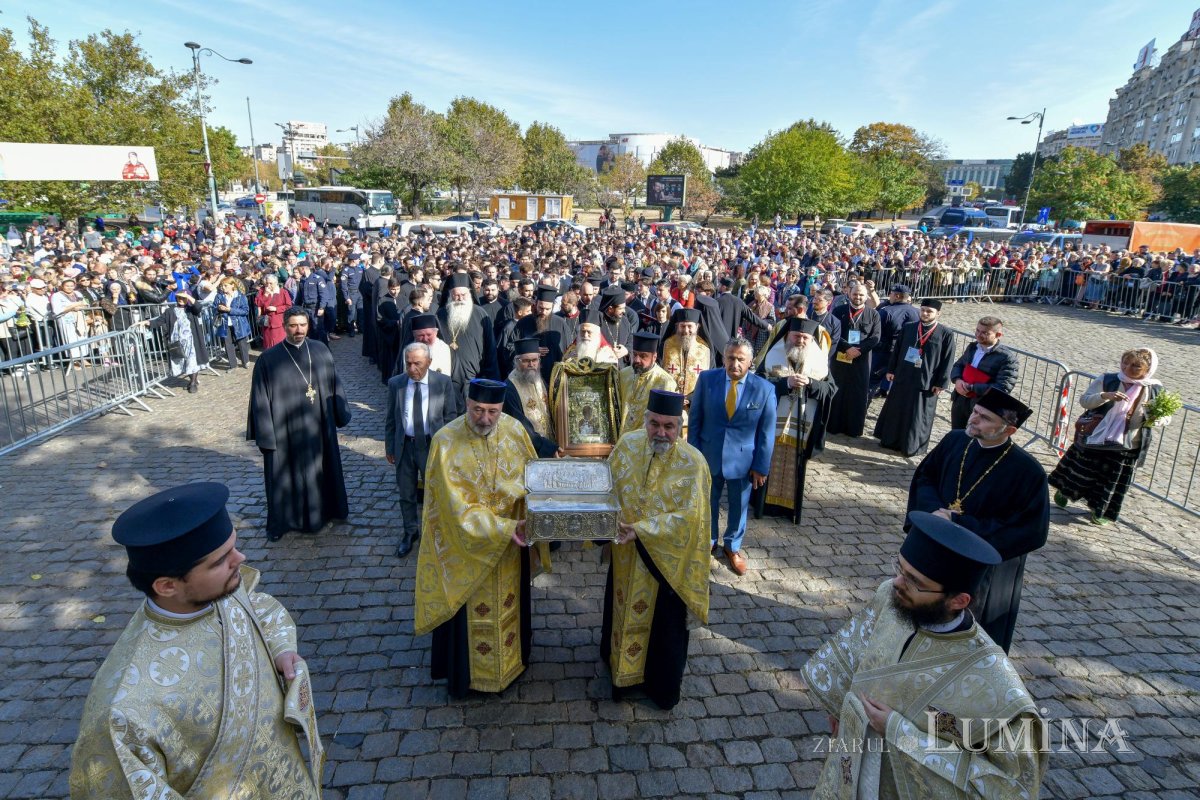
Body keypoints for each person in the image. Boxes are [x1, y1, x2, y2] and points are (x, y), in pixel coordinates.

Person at [69, 483, 323, 799]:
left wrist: (281, 649)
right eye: (220, 560)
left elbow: (255, 604)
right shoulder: (121, 713)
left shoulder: (219, 591)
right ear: (166, 586)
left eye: (234, 547)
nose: (240, 558)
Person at [802, 511, 1046, 799]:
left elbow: (1011, 787)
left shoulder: (994, 683)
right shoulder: (891, 598)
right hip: (852, 763)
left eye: (913, 580)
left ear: (959, 600)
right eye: (900, 568)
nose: (897, 582)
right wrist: (840, 707)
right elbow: (856, 647)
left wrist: (899, 731)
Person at [414, 379, 538, 698]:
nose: (485, 419)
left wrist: (536, 518)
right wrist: (503, 528)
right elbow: (453, 511)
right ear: (467, 404)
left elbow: (534, 480)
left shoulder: (515, 432)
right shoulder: (445, 442)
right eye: (478, 410)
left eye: (493, 412)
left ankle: (511, 664)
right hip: (465, 550)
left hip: (511, 548)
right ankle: (467, 677)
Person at [908, 389, 1049, 652]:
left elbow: (1031, 530)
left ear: (1009, 431)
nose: (973, 419)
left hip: (982, 565)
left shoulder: (1027, 471)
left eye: (984, 418)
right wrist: (934, 515)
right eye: (975, 412)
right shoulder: (954, 441)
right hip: (937, 545)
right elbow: (925, 477)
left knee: (970, 630)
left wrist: (962, 524)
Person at [603, 389, 711, 710]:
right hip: (626, 555)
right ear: (645, 419)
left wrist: (643, 530)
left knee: (663, 630)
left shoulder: (694, 464)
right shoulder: (627, 446)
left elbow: (692, 519)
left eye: (669, 426)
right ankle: (621, 676)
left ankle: (658, 685)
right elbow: (605, 486)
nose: (661, 433)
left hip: (667, 566)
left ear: (680, 426)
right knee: (622, 613)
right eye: (654, 424)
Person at [247, 307, 352, 541]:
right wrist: (265, 434)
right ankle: (286, 521)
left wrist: (340, 411)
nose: (299, 330)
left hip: (318, 427)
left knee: (322, 470)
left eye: (303, 325)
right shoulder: (268, 360)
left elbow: (334, 383)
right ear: (284, 326)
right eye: (293, 325)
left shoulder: (320, 350)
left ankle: (328, 512)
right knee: (286, 476)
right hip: (286, 432)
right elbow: (260, 400)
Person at [687, 337, 777, 576]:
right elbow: (695, 421)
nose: (734, 363)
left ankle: (733, 547)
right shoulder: (707, 380)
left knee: (738, 507)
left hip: (743, 462)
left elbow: (767, 433)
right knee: (708, 502)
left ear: (750, 362)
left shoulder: (765, 389)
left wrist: (761, 466)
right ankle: (709, 541)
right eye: (730, 357)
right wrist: (693, 456)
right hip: (709, 455)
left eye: (740, 359)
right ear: (724, 358)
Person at [1049, 347, 1167, 525]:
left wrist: (1154, 416)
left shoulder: (1155, 389)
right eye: (1125, 362)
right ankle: (1066, 490)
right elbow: (1085, 401)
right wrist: (1104, 396)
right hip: (1096, 435)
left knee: (1111, 480)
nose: (1127, 368)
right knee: (1082, 470)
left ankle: (1100, 510)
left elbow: (1165, 417)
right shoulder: (1108, 379)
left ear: (1147, 369)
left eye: (1135, 366)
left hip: (1127, 443)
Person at [752, 318, 837, 524]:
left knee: (795, 464)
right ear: (788, 335)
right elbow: (758, 383)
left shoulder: (818, 359)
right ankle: (761, 505)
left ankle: (790, 509)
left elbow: (831, 389)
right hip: (773, 422)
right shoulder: (773, 354)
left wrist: (810, 384)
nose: (800, 340)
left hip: (801, 425)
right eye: (796, 336)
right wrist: (784, 382)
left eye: (805, 337)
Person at [386, 341, 458, 557]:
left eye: (417, 363)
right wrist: (390, 447)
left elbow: (451, 417)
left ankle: (435, 532)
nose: (412, 369)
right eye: (408, 364)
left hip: (430, 446)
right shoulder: (396, 384)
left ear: (429, 362)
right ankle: (410, 532)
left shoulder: (443, 383)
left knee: (434, 492)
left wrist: (446, 449)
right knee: (406, 493)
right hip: (405, 446)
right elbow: (391, 419)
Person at [873, 298, 955, 457]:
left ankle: (911, 446)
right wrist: (891, 369)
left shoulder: (945, 333)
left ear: (938, 314)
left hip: (926, 381)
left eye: (929, 311)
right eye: (923, 310)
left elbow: (948, 359)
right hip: (903, 375)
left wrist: (941, 382)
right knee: (897, 410)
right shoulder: (909, 328)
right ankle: (890, 440)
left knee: (917, 415)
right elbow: (897, 350)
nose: (925, 313)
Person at [826, 283, 881, 437]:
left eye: (861, 295)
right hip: (840, 357)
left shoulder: (873, 314)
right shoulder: (839, 311)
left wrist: (859, 350)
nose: (858, 297)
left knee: (857, 393)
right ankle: (833, 425)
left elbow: (876, 337)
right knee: (837, 390)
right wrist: (847, 348)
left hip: (861, 359)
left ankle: (853, 428)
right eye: (855, 294)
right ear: (849, 293)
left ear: (866, 296)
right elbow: (833, 332)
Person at [438, 273, 499, 403]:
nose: (460, 298)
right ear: (450, 294)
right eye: (456, 295)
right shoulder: (441, 315)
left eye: (463, 295)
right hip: (448, 379)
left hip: (475, 378)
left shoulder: (480, 314)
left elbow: (490, 348)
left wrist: (489, 377)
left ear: (470, 294)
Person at [949, 316, 1017, 429]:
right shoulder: (972, 347)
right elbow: (959, 365)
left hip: (982, 406)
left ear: (998, 335)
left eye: (985, 333)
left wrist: (972, 387)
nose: (978, 335)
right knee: (957, 434)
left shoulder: (1007, 358)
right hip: (961, 401)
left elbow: (1003, 387)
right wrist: (957, 379)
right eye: (977, 330)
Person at [143, 289, 209, 394]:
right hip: (177, 341)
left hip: (191, 340)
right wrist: (146, 322)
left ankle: (192, 382)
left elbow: (198, 307)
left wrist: (188, 297)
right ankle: (194, 379)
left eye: (183, 298)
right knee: (184, 361)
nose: (181, 300)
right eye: (179, 297)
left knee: (192, 360)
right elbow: (159, 320)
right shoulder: (170, 310)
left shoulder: (191, 309)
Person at [502, 338, 560, 457]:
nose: (531, 365)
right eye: (526, 361)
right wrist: (547, 448)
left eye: (535, 360)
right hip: (527, 451)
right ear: (517, 361)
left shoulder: (538, 380)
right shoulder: (510, 388)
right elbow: (520, 426)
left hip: (549, 445)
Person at [617, 331, 675, 437]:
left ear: (654, 357)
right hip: (620, 440)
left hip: (646, 442)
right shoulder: (623, 374)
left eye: (643, 356)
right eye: (634, 354)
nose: (637, 360)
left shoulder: (665, 382)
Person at [870, 283, 919, 397]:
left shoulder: (886, 311)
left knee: (872, 381)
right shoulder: (917, 312)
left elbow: (875, 331)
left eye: (891, 294)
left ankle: (863, 408)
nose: (889, 296)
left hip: (885, 351)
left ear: (897, 296)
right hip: (907, 352)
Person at [214, 276, 252, 370]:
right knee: (228, 344)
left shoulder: (240, 296)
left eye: (225, 286)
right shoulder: (219, 296)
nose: (223, 288)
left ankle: (245, 361)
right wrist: (218, 308)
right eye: (222, 286)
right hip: (225, 322)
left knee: (241, 342)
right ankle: (232, 364)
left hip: (239, 323)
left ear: (232, 285)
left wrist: (230, 310)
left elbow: (245, 311)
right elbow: (214, 308)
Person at [255, 272, 292, 349]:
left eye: (271, 283)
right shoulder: (262, 291)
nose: (268, 285)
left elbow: (288, 306)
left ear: (276, 283)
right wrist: (266, 295)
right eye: (267, 283)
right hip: (266, 322)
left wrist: (276, 309)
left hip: (279, 322)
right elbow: (258, 303)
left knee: (280, 343)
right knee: (268, 344)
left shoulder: (282, 292)